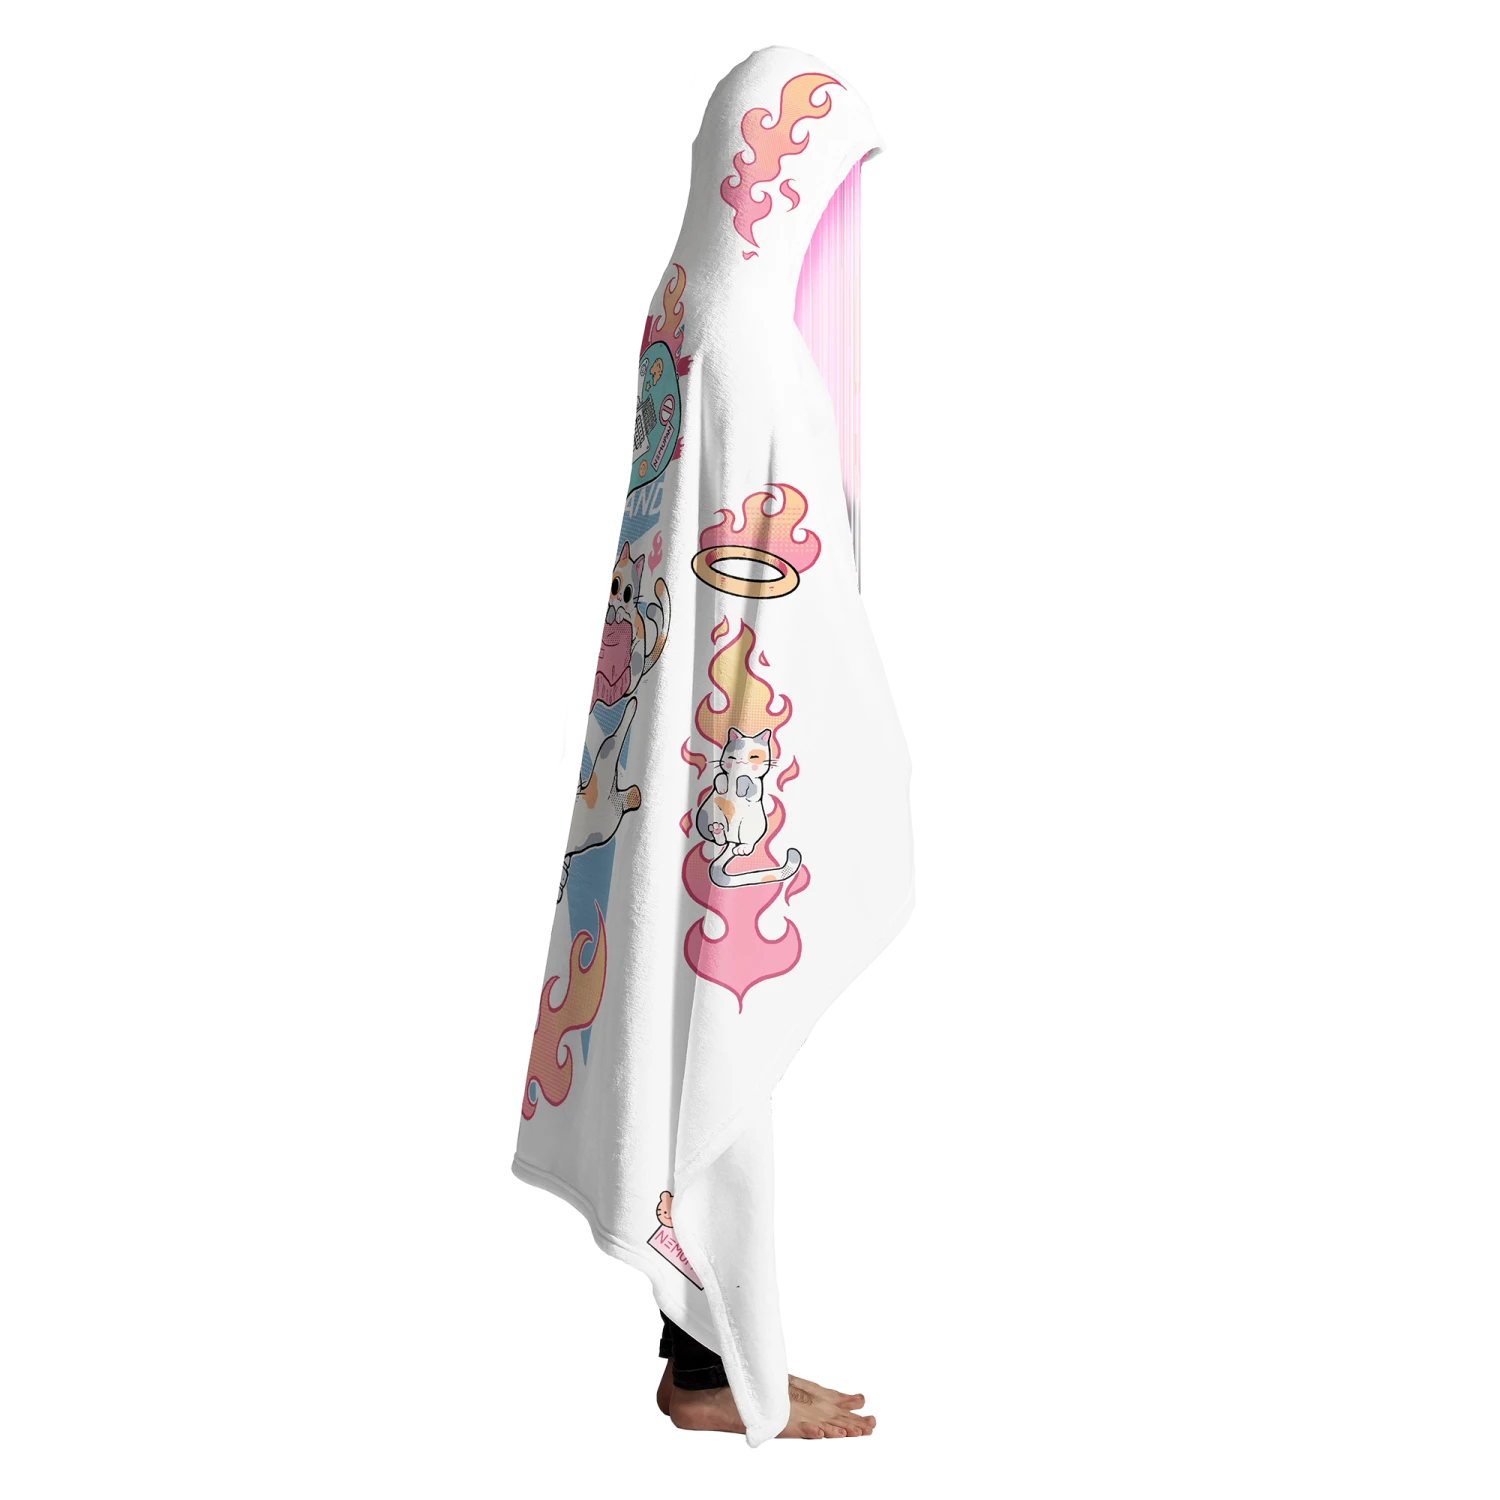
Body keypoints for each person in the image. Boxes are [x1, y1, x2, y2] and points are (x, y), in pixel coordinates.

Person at [508, 41, 916, 1450]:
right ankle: (722, 1369)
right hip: (738, 748)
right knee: (729, 996)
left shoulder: (683, 308)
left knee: (700, 998)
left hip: (686, 753)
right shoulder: (747, 348)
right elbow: (802, 522)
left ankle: (718, 1355)